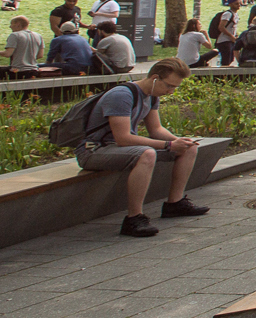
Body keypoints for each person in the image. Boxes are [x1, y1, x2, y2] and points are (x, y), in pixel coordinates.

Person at [75, 57, 208, 237]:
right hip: (94, 150)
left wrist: (180, 142)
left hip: (118, 148)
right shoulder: (121, 95)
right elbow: (123, 138)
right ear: (155, 78)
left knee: (189, 148)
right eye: (169, 86)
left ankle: (175, 204)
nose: (171, 91)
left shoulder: (152, 96)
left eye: (175, 87)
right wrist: (169, 145)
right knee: (146, 154)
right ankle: (134, 218)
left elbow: (156, 129)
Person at [214, 0, 242, 66]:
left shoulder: (235, 14)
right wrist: (231, 36)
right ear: (230, 4)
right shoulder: (227, 14)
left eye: (239, 3)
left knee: (230, 59)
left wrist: (235, 35)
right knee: (225, 60)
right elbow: (221, 27)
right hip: (224, 41)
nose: (238, 5)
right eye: (236, 4)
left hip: (230, 40)